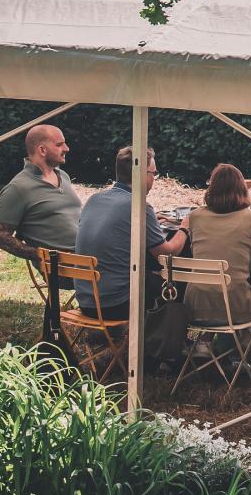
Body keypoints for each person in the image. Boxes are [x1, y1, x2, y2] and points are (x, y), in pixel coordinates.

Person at [71, 146, 188, 350]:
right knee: (176, 283)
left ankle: (152, 342)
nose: (154, 179)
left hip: (87, 301)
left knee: (150, 276)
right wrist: (185, 228)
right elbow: (167, 253)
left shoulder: (95, 199)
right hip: (115, 305)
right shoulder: (138, 206)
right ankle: (165, 350)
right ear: (141, 174)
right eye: (153, 173)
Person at [182, 163, 251, 321]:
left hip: (196, 306)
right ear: (242, 189)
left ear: (211, 188)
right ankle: (249, 331)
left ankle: (211, 336)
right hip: (237, 308)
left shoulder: (195, 216)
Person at [0, 124, 82, 258]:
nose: (66, 148)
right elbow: (1, 237)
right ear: (42, 150)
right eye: (59, 145)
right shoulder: (17, 188)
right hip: (68, 265)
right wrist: (45, 256)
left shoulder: (63, 176)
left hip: (91, 254)